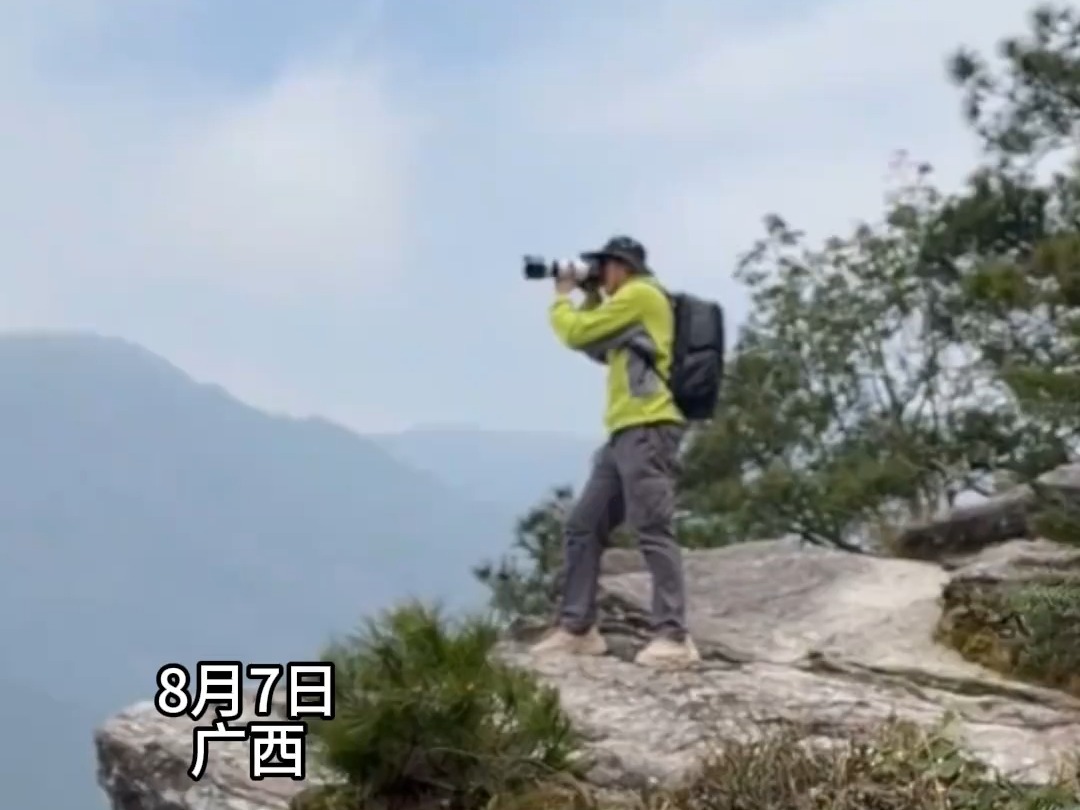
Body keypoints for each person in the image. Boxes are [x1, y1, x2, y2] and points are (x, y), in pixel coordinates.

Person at [530, 235, 700, 668]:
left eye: (603, 269)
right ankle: (578, 628)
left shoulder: (642, 295)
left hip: (648, 428)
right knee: (583, 525)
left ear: (622, 266)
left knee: (652, 528)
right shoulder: (630, 308)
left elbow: (576, 334)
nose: (600, 276)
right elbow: (596, 346)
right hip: (624, 432)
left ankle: (674, 636)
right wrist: (588, 298)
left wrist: (563, 298)